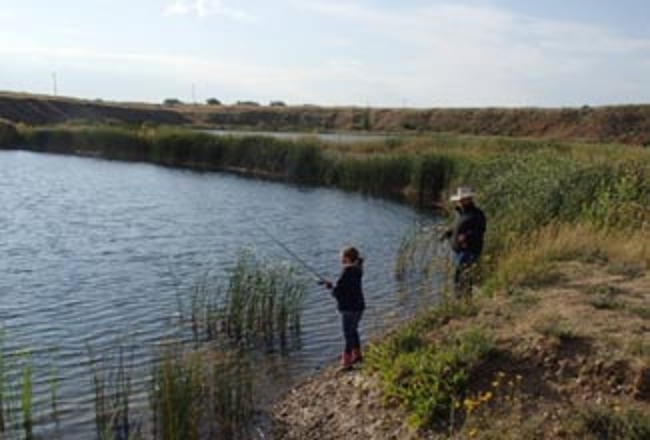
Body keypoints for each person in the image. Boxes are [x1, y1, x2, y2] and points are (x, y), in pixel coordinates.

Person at [321, 246, 365, 369]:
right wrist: (332, 286)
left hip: (349, 308)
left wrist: (330, 288)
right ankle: (357, 355)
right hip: (359, 306)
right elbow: (347, 288)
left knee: (348, 334)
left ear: (347, 258)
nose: (340, 258)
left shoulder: (346, 272)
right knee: (353, 331)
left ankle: (346, 361)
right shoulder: (358, 269)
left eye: (341, 256)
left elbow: (339, 293)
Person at [441, 187, 487, 297]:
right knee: (462, 276)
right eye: (459, 200)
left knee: (460, 276)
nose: (459, 202)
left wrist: (466, 236)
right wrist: (448, 233)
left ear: (469, 199)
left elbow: (480, 230)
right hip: (460, 250)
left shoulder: (477, 214)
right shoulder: (462, 213)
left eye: (462, 200)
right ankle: (463, 300)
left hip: (469, 250)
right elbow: (457, 227)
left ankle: (462, 300)